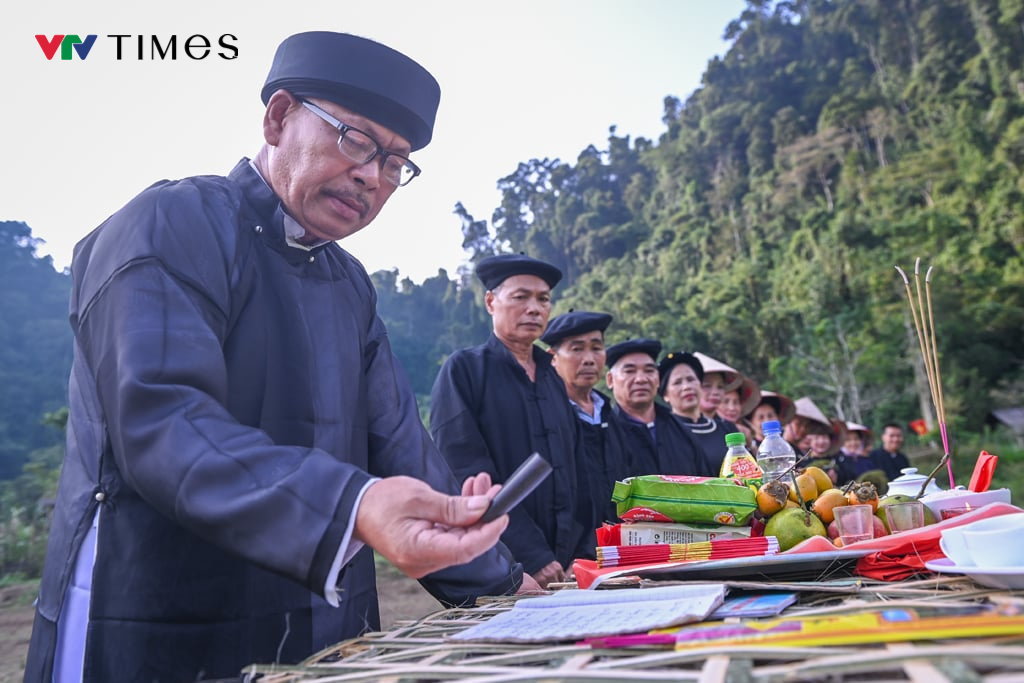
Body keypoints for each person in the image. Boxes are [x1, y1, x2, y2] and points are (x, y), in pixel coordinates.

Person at [26, 32, 528, 683]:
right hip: (157, 620)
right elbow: (165, 424)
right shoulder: (171, 225)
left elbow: (403, 449)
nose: (373, 177)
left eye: (395, 163)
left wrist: (509, 592)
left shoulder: (350, 286)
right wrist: (355, 505)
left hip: (324, 632)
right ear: (278, 115)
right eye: (355, 140)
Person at [431, 254, 589, 590]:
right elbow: (464, 469)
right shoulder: (465, 370)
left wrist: (580, 551)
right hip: (507, 565)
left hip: (569, 566)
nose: (534, 308)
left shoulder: (553, 381)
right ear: (491, 301)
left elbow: (577, 469)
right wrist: (532, 555)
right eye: (521, 297)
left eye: (543, 299)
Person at [542, 310, 629, 527]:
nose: (589, 359)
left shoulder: (611, 416)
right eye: (577, 349)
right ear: (552, 357)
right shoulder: (545, 417)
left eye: (597, 348)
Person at [604, 340, 715, 477]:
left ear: (657, 379)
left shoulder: (681, 431)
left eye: (649, 370)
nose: (641, 379)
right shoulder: (604, 434)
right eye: (630, 371)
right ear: (610, 380)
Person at [658, 350, 738, 474]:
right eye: (677, 382)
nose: (686, 387)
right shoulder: (661, 434)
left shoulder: (727, 429)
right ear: (665, 395)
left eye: (690, 379)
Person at [693, 352, 742, 420]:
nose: (715, 392)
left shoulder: (729, 427)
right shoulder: (677, 426)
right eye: (707, 386)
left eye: (720, 387)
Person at [718, 375, 761, 446]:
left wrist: (750, 443)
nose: (732, 408)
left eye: (736, 402)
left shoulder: (747, 432)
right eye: (725, 402)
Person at [835, 422, 876, 486]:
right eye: (848, 440)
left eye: (856, 439)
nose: (853, 443)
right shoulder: (837, 461)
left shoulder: (867, 460)